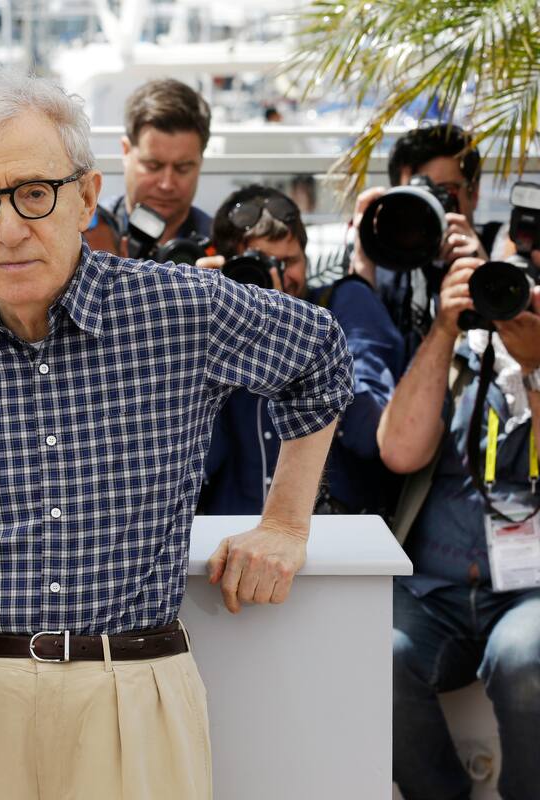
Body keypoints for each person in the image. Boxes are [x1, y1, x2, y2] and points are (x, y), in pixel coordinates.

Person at [0, 65, 353, 799]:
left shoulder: (181, 312)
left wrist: (285, 523)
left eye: (33, 192)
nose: (10, 227)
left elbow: (320, 354)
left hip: (136, 690)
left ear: (85, 195)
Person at [378, 252, 540, 800]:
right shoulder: (455, 358)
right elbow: (399, 451)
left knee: (525, 660)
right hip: (432, 591)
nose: (508, 306)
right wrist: (446, 327)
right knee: (374, 653)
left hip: (527, 595)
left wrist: (535, 367)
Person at [197, 185, 405, 517]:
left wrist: (285, 328)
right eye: (261, 265)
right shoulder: (214, 330)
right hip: (228, 538)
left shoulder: (345, 304)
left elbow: (368, 434)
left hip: (329, 541)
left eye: (289, 261)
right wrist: (202, 320)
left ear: (306, 258)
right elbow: (197, 460)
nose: (280, 277)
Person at [348, 124, 492, 358]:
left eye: (445, 192)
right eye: (418, 196)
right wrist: (363, 267)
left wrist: (487, 277)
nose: (429, 209)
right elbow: (359, 360)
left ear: (473, 194)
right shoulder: (383, 266)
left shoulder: (500, 246)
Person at [100, 78, 214, 246]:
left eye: (182, 168)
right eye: (153, 166)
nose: (166, 184)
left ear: (201, 161)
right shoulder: (84, 238)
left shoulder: (223, 247)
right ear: (126, 151)